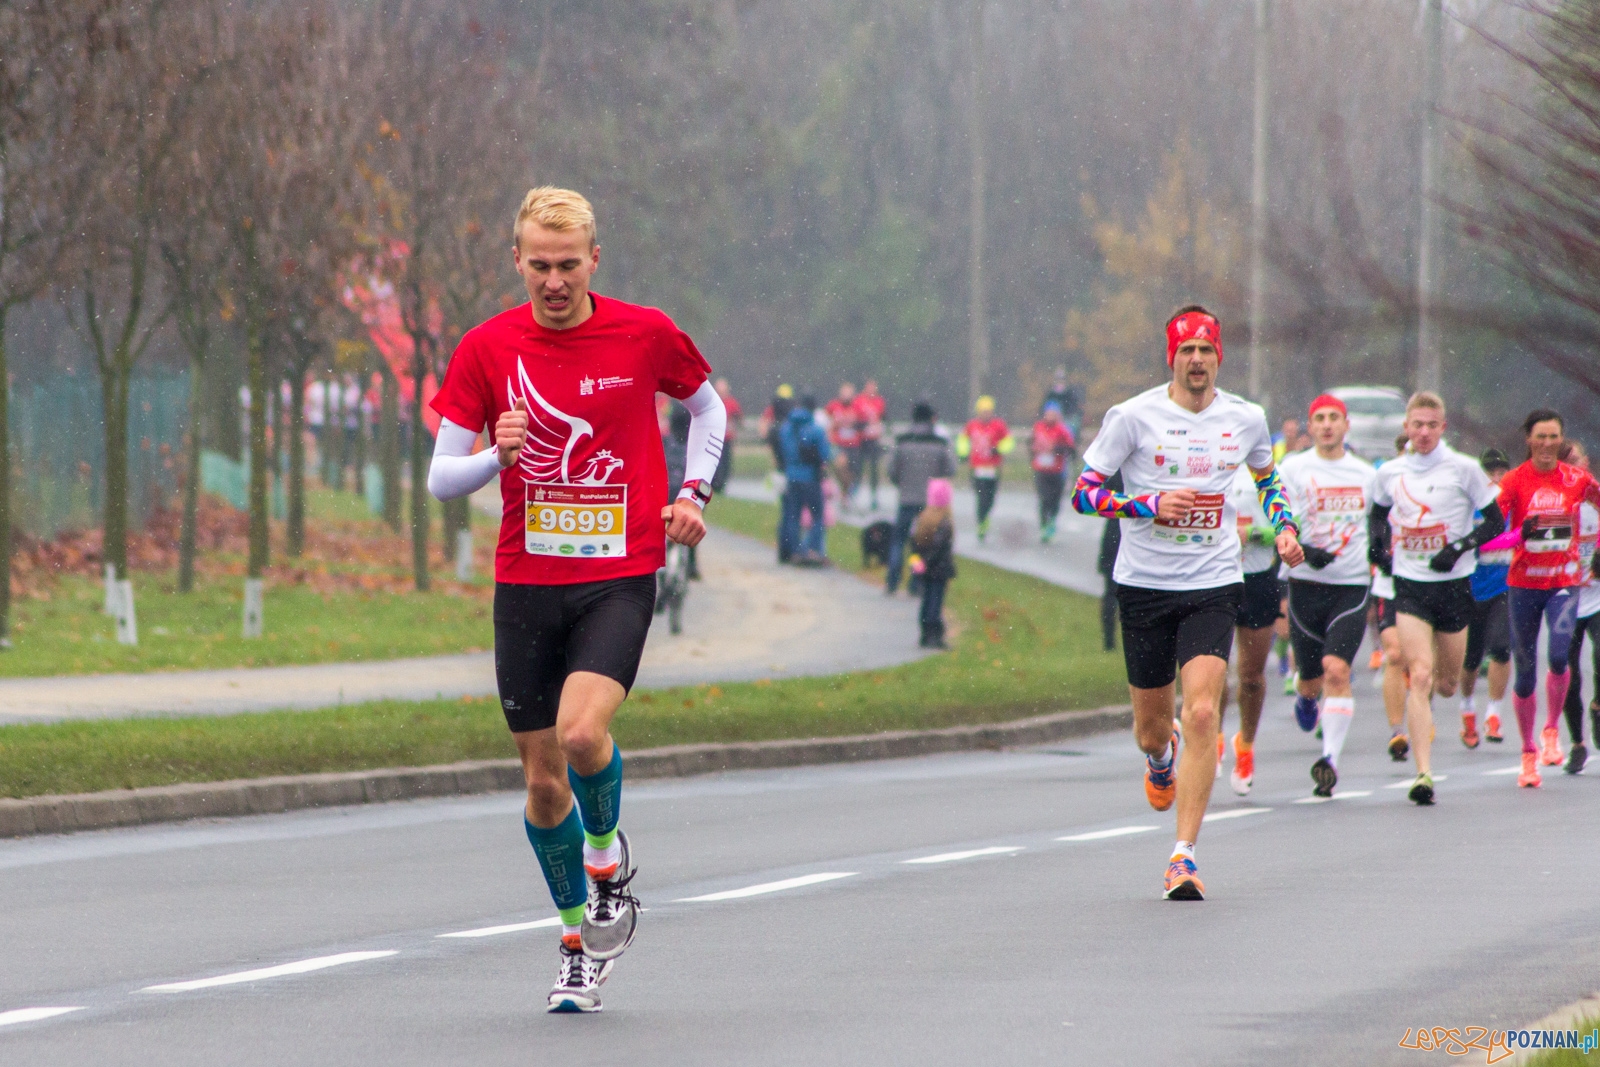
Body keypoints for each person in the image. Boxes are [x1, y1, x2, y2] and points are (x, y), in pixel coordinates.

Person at [426, 187, 725, 1013]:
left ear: (595, 260)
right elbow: (439, 475)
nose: (553, 282)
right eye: (539, 266)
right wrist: (494, 455)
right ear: (516, 260)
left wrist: (694, 491)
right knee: (540, 782)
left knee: (582, 730)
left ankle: (604, 862)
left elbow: (708, 407)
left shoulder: (643, 332)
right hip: (526, 581)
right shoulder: (487, 348)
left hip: (618, 570)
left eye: (568, 265)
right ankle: (577, 944)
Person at [1073, 304, 1303, 900]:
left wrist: (1284, 527)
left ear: (1218, 357)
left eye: (1206, 350)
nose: (1196, 360)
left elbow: (1268, 480)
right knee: (1152, 729)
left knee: (1203, 710)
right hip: (1145, 585)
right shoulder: (1132, 417)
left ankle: (1184, 855)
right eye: (1186, 351)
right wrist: (1147, 506)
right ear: (1171, 357)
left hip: (1212, 581)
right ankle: (1160, 757)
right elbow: (1084, 494)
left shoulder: (1246, 419)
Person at [1369, 392, 1504, 805]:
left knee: (1446, 683)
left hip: (1454, 586)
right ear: (1406, 428)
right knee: (1420, 674)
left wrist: (1459, 547)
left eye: (1431, 425)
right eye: (1417, 425)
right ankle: (1423, 773)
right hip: (1410, 586)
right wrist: (1379, 551)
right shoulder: (1390, 472)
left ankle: (1445, 702)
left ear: (1442, 428)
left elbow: (1495, 521)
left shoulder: (1463, 469)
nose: (1424, 432)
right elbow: (1376, 515)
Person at [1492, 410, 1600, 787]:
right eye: (1540, 436)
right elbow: (1492, 536)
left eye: (1554, 436)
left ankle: (1552, 730)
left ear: (1561, 439)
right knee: (1524, 673)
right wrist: (1519, 533)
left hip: (1564, 584)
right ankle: (1527, 753)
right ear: (1529, 440)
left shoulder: (1578, 479)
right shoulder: (1514, 481)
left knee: (1558, 655)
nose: (1547, 443)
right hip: (1523, 585)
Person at [1279, 395, 1377, 797]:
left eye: (1334, 418)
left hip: (1350, 586)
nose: (1327, 425)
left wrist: (1381, 552)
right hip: (1304, 583)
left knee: (1337, 670)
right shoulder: (1293, 468)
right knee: (1311, 679)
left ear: (1346, 425)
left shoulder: (1366, 474)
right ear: (1310, 425)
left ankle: (1329, 760)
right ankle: (1306, 700)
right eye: (1319, 418)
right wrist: (1301, 545)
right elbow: (1277, 519)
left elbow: (1383, 521)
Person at [1217, 457, 1282, 797]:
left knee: (1251, 677)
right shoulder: (1202, 467)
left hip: (1256, 580)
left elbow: (1291, 524)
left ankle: (1246, 745)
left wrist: (1254, 533)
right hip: (1213, 579)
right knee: (1212, 671)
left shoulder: (1265, 474)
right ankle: (1211, 738)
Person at [1459, 448, 1513, 747]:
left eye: (1500, 471)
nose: (1495, 478)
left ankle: (1494, 712)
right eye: (1489, 472)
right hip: (1471, 587)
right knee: (1470, 658)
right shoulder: (1471, 505)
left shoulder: (1513, 502)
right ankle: (1467, 707)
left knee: (1502, 649)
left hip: (1504, 586)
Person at [887, 400, 955, 594]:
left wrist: (902, 484)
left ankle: (892, 578)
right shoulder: (940, 443)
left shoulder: (902, 441)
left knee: (898, 541)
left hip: (906, 498)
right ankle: (915, 582)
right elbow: (950, 469)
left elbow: (892, 470)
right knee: (921, 545)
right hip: (930, 505)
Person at [1562, 441, 1600, 773]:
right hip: (1567, 599)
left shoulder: (1596, 500)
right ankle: (1577, 742)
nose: (1575, 469)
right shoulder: (1558, 504)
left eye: (1578, 461)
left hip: (1597, 596)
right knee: (1566, 672)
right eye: (1568, 464)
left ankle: (1598, 706)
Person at [779, 396, 832, 565]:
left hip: (791, 475)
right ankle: (812, 550)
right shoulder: (815, 429)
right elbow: (825, 454)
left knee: (793, 516)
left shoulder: (786, 428)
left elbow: (783, 450)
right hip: (811, 478)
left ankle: (794, 552)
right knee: (817, 515)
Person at [956, 396, 1013, 542]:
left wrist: (998, 449)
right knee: (981, 497)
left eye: (988, 411)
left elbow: (1009, 441)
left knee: (991, 497)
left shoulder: (998, 425)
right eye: (983, 411)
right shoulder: (972, 425)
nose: (985, 414)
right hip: (977, 468)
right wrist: (963, 453)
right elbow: (963, 440)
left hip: (993, 468)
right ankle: (981, 522)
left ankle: (985, 517)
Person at [911, 478, 957, 648]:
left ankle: (924, 633)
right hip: (938, 570)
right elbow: (939, 548)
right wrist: (929, 562)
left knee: (925, 600)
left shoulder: (922, 519)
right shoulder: (944, 522)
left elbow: (913, 544)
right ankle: (934, 635)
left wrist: (917, 563)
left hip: (924, 570)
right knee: (935, 603)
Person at [1030, 402, 1076, 543]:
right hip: (1041, 470)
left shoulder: (1062, 430)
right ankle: (1044, 526)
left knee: (1055, 500)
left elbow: (1070, 449)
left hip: (1057, 471)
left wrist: (1057, 449)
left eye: (1053, 414)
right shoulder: (1038, 427)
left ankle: (1052, 521)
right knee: (1044, 499)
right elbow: (1031, 444)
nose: (1050, 417)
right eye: (1048, 414)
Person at [1097, 473, 1123, 653]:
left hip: (1116, 529)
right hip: (1131, 530)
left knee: (1111, 592)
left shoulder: (1116, 466)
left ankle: (1109, 640)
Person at [825, 382, 863, 500]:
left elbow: (864, 424)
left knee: (853, 472)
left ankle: (846, 494)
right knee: (841, 467)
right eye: (844, 393)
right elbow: (826, 420)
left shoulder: (858, 406)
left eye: (849, 393)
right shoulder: (833, 406)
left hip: (854, 444)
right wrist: (831, 429)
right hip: (839, 444)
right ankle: (843, 493)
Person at [854, 379, 888, 510]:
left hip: (874, 440)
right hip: (861, 440)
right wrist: (864, 426)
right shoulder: (859, 401)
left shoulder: (879, 402)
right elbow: (855, 420)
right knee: (858, 468)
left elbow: (884, 419)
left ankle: (874, 497)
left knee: (874, 469)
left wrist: (879, 427)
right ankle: (854, 494)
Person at [710, 378, 741, 493]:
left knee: (725, 462)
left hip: (727, 438)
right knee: (715, 462)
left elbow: (738, 417)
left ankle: (722, 484)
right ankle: (715, 483)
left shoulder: (732, 403)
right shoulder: (712, 401)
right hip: (714, 437)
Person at [1041, 367, 1085, 440]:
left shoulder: (1070, 393)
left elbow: (1074, 409)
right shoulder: (1051, 394)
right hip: (1054, 422)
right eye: (1058, 380)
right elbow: (1045, 408)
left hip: (1067, 419)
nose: (1060, 382)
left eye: (1062, 380)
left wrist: (1065, 416)